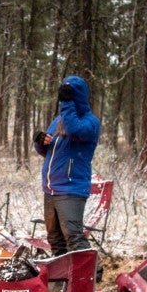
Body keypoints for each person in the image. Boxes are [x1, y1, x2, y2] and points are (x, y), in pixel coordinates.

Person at [32, 75, 101, 272]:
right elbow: (47, 151)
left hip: (71, 187)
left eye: (69, 93)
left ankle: (91, 276)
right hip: (51, 188)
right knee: (55, 238)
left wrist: (67, 103)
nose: (64, 96)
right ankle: (63, 279)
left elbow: (74, 129)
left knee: (73, 236)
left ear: (77, 95)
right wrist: (40, 141)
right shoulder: (59, 120)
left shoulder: (90, 121)